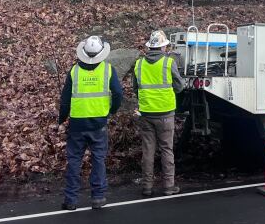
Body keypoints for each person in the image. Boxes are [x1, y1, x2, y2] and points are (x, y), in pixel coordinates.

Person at [59, 35, 123, 211]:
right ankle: (98, 197)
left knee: (74, 161)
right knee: (98, 160)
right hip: (98, 124)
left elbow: (64, 101)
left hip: (77, 124)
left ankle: (71, 200)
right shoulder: (108, 70)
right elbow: (118, 94)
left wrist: (61, 119)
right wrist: (112, 110)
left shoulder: (74, 71)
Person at [133, 30, 185, 196]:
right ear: (163, 47)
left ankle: (147, 187)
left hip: (146, 113)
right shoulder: (169, 63)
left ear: (149, 47)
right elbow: (179, 86)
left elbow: (136, 88)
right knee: (166, 149)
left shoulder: (139, 64)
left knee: (148, 150)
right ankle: (168, 186)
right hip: (165, 114)